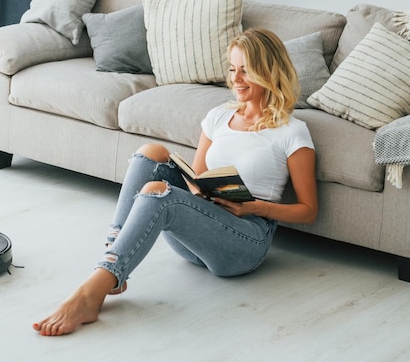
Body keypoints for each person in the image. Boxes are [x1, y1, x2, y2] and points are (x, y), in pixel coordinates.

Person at [32, 28, 318, 336]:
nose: (235, 79)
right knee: (150, 153)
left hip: (245, 242)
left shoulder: (292, 131)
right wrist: (200, 194)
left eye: (246, 71)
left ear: (268, 72)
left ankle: (93, 290)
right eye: (232, 69)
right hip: (197, 235)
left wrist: (252, 207)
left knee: (158, 193)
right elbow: (196, 179)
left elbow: (308, 209)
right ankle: (113, 255)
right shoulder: (219, 116)